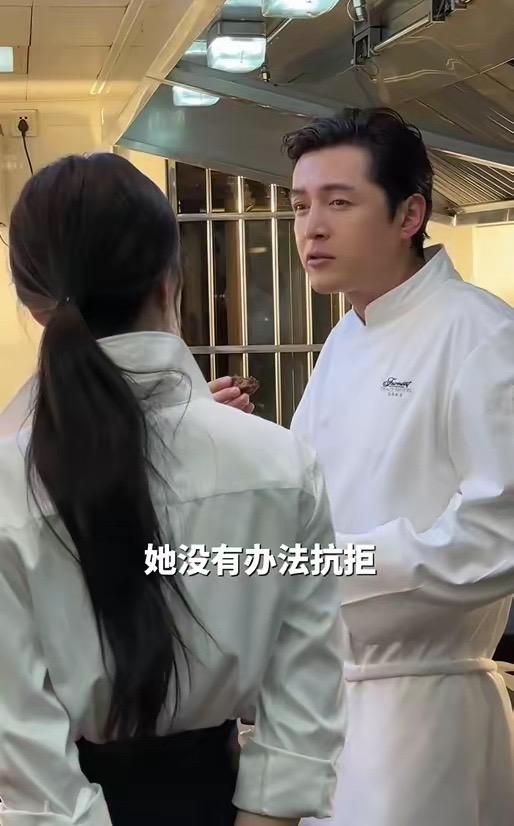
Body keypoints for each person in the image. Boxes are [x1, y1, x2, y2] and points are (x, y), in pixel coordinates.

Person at [0, 153, 345, 826]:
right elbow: (307, 690)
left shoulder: (10, 483)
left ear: (33, 304)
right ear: (170, 281)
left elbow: (21, 742)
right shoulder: (281, 463)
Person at [217, 107, 514, 826]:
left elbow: (496, 536)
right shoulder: (346, 340)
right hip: (328, 704)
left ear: (409, 214)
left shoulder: (480, 334)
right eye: (300, 205)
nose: (311, 228)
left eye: (339, 202)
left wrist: (327, 565)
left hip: (423, 708)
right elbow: (313, 499)